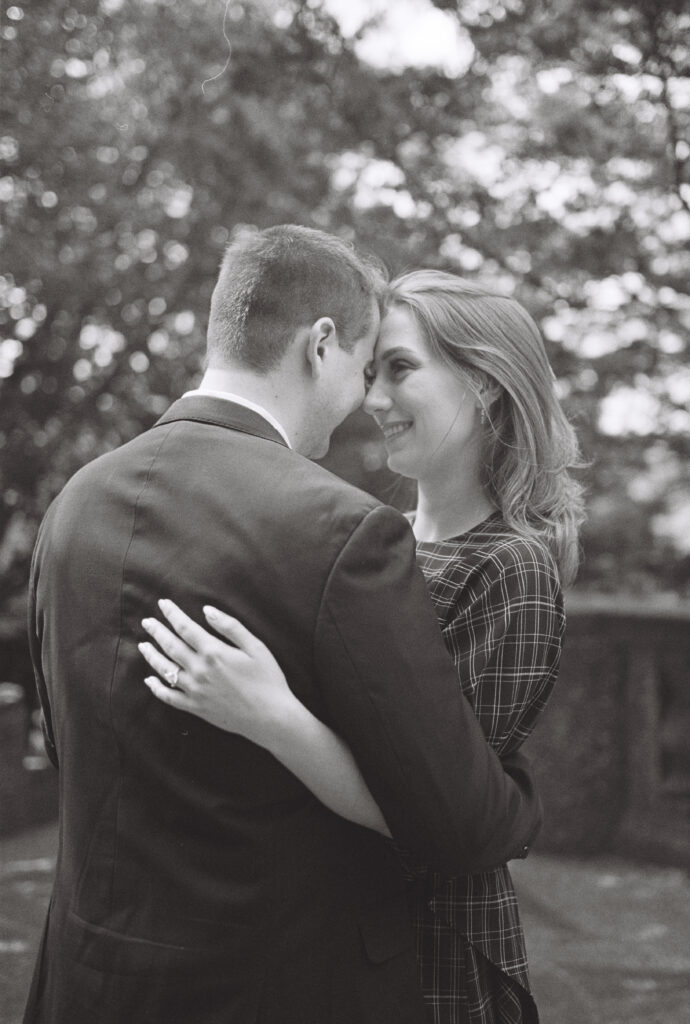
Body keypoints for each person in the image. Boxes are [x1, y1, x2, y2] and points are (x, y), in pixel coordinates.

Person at [25, 229, 542, 1024]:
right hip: (266, 984)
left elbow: (72, 746)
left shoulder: (75, 503)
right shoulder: (343, 531)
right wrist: (517, 805)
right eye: (367, 369)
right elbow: (459, 822)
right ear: (321, 344)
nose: (365, 401)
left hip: (84, 979)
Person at [140, 269, 585, 1023]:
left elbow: (442, 819)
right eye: (371, 372)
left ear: (487, 387)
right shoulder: (377, 542)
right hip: (332, 933)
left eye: (401, 370)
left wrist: (269, 714)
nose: (372, 399)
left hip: (432, 945)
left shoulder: (510, 567)